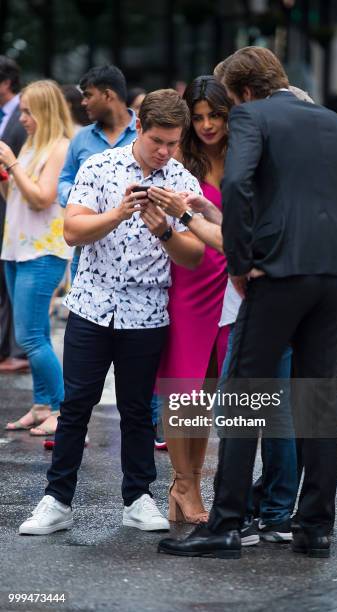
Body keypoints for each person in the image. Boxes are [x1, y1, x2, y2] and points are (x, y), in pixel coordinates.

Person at [157, 46, 337, 559]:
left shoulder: (251, 116)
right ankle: (314, 527)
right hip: (332, 280)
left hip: (276, 274)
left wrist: (243, 261)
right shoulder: (334, 123)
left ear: (243, 92)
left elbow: (241, 183)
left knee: (246, 396)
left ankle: (225, 525)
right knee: (315, 402)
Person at [18, 89, 205, 536]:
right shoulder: (99, 167)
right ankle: (57, 500)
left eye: (173, 143)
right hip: (91, 305)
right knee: (76, 404)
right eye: (158, 140)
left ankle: (138, 497)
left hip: (147, 311)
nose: (164, 152)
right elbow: (72, 231)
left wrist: (164, 231)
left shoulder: (182, 181)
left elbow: (195, 256)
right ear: (138, 127)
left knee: (138, 410)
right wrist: (120, 213)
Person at [152, 76, 230, 524]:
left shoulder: (244, 156)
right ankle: (183, 484)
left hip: (230, 284)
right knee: (184, 388)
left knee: (211, 387)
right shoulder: (183, 159)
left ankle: (190, 484)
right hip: (189, 280)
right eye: (197, 117)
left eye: (213, 115)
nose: (205, 125)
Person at [0, 80, 74, 434]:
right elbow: (16, 194)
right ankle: (43, 405)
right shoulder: (31, 146)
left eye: (28, 112)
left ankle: (65, 410)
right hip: (17, 249)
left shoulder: (60, 147)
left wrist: (12, 164)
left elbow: (42, 198)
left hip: (42, 251)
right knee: (35, 332)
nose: (23, 118)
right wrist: (7, 173)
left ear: (45, 111)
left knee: (29, 336)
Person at [58, 65, 137, 280]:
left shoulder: (145, 132)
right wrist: (80, 200)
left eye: (88, 95)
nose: (83, 102)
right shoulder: (81, 138)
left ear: (108, 95)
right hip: (86, 257)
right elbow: (64, 180)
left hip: (135, 260)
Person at [0, 56, 28, 374]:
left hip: (16, 212)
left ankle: (17, 351)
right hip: (6, 207)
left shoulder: (21, 121)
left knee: (13, 287)